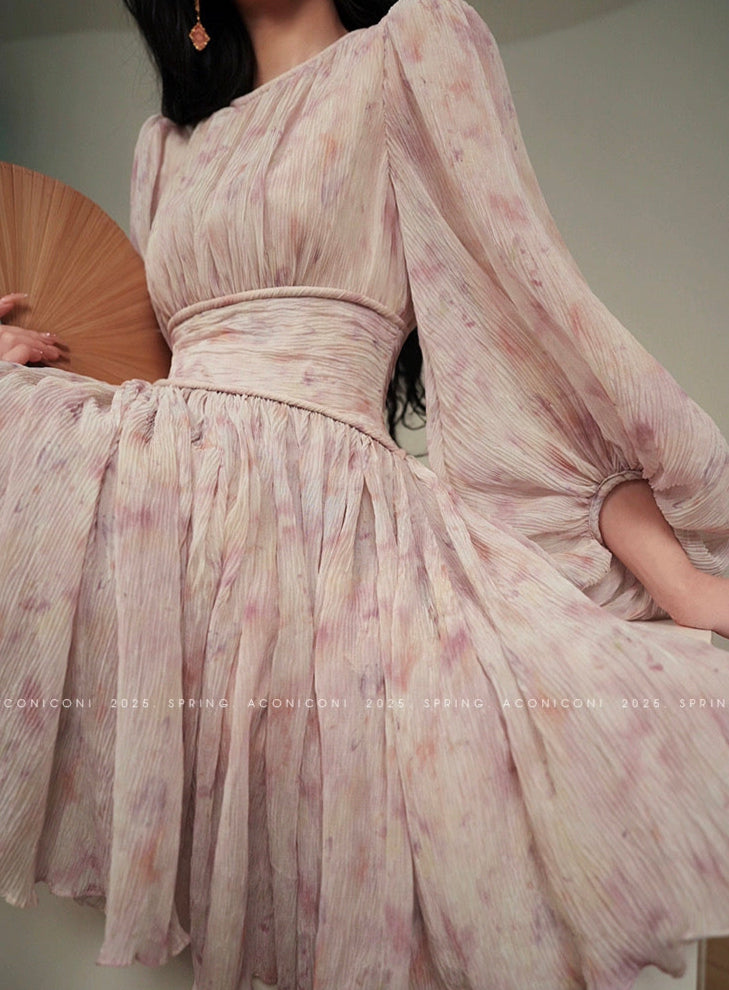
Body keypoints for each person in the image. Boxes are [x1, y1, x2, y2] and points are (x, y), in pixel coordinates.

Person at [0, 0, 728, 987]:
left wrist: (678, 583)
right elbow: (157, 380)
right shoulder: (161, 148)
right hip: (189, 540)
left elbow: (533, 337)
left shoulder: (413, 49)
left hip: (331, 544)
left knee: (391, 862)